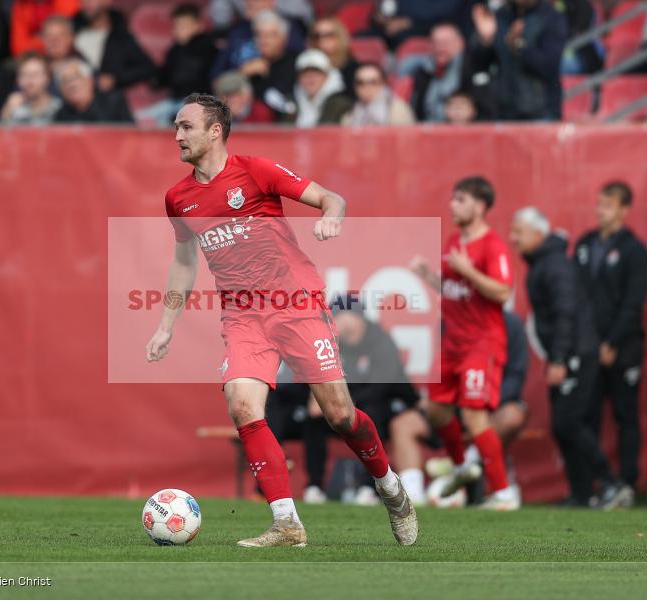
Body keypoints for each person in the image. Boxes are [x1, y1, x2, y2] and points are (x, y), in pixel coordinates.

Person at [146, 93, 418, 547]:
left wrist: (331, 218)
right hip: (242, 314)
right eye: (175, 126)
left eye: (186, 127)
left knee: (340, 415)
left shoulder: (256, 171)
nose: (177, 135)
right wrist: (166, 324)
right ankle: (287, 523)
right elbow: (184, 262)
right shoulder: (179, 198)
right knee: (242, 404)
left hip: (296, 303)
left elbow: (332, 198)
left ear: (215, 130)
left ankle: (390, 488)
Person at [509, 206, 631, 509]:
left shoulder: (554, 266)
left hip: (576, 355)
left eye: (519, 233)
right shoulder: (544, 264)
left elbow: (566, 313)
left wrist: (560, 359)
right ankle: (583, 494)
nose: (513, 239)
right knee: (566, 424)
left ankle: (612, 484)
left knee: (569, 422)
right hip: (571, 353)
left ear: (539, 234)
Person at [408, 176, 517, 510]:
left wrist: (469, 271)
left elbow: (502, 291)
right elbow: (456, 291)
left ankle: (502, 494)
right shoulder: (455, 240)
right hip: (452, 342)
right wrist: (429, 276)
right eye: (453, 199)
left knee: (474, 417)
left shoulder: (492, 246)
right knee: (436, 409)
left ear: (480, 206)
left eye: (461, 200)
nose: (453, 205)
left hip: (481, 344)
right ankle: (460, 468)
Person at [268, 295, 420, 505]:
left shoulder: (381, 341)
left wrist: (338, 401)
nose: (347, 326)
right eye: (340, 319)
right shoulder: (324, 342)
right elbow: (299, 377)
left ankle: (370, 486)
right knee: (313, 417)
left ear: (362, 320)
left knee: (371, 412)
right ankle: (314, 486)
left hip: (378, 405)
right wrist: (317, 394)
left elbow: (380, 387)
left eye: (352, 318)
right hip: (339, 408)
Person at [390, 309, 529, 506]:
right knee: (404, 424)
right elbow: (443, 369)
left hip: (488, 409)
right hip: (452, 408)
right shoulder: (449, 320)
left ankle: (467, 468)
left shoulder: (511, 325)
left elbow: (515, 376)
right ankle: (411, 499)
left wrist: (480, 401)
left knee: (511, 415)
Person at [573, 182, 647, 502]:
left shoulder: (634, 250)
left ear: (624, 210)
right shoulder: (586, 244)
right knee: (586, 416)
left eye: (609, 205)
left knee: (625, 415)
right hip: (589, 348)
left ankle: (628, 483)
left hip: (623, 348)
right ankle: (593, 486)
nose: (601, 211)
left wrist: (613, 341)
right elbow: (575, 295)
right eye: (600, 204)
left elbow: (634, 302)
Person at [468, 0, 566, 120]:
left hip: (541, 112)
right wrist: (485, 41)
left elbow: (549, 66)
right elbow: (479, 66)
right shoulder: (499, 16)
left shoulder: (551, 17)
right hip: (503, 111)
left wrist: (519, 46)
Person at [72, 0, 155, 93]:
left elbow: (147, 67)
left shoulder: (120, 37)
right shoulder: (72, 32)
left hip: (105, 99)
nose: (86, 3)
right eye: (82, 1)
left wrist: (115, 79)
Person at [210, 0, 306, 80]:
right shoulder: (237, 31)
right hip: (236, 93)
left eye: (256, 0)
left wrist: (269, 64)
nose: (249, 3)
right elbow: (216, 77)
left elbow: (296, 62)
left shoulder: (287, 26)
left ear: (272, 2)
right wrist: (242, 73)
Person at [242, 10, 300, 121]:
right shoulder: (249, 64)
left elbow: (279, 100)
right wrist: (241, 75)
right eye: (259, 35)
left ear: (284, 37)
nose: (264, 41)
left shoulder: (296, 62)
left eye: (271, 35)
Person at [407, 22, 465, 122]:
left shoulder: (470, 68)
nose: (440, 47)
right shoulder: (422, 71)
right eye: (436, 42)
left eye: (446, 42)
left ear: (460, 43)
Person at [53, 57, 132, 123]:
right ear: (60, 90)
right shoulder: (60, 117)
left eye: (76, 78)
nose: (72, 84)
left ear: (90, 81)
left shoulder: (114, 103)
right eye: (65, 81)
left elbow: (130, 136)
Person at [290, 48, 351, 127]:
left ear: (327, 76)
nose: (310, 78)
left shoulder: (341, 104)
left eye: (316, 73)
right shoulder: (289, 103)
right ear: (298, 78)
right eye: (305, 74)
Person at [341, 63, 415, 127]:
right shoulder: (349, 114)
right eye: (360, 83)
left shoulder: (397, 109)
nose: (367, 87)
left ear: (383, 83)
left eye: (373, 82)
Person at [0, 52, 61, 125]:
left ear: (47, 77)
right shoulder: (12, 107)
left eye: (35, 74)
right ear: (18, 79)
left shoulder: (58, 108)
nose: (30, 80)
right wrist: (7, 112)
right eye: (24, 74)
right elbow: (0, 134)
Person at [308, 17, 358, 97]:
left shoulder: (352, 68)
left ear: (340, 36)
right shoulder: (306, 66)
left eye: (328, 35)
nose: (322, 40)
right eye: (316, 36)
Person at [10, 0, 79, 56]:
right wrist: (45, 41)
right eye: (48, 36)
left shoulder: (66, 4)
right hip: (37, 58)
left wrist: (45, 39)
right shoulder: (22, 5)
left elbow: (62, 39)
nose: (53, 40)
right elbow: (19, 48)